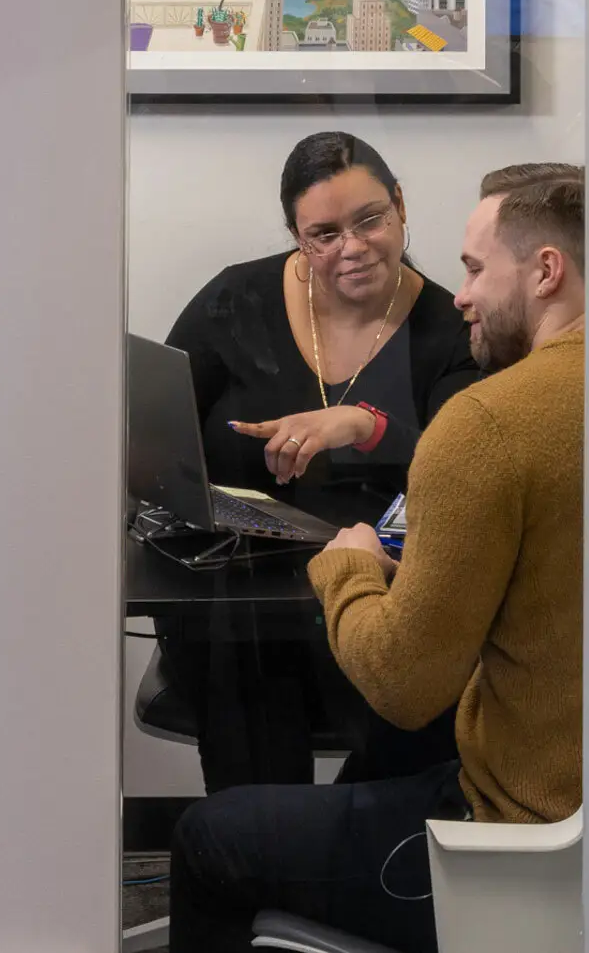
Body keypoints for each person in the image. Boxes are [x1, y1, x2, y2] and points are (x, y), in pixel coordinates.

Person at [169, 163, 586, 953]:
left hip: (510, 833)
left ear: (544, 270)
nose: (458, 293)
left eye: (472, 269)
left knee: (209, 836)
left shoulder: (490, 418)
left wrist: (349, 564)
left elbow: (403, 684)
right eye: (323, 234)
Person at [159, 132, 480, 792]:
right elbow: (157, 440)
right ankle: (257, 850)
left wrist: (363, 424)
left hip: (384, 607)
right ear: (296, 236)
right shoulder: (234, 302)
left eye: (369, 220)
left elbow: (468, 466)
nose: (352, 248)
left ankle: (341, 856)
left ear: (400, 205)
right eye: (323, 234)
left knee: (393, 750)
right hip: (237, 604)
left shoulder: (451, 330)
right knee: (241, 676)